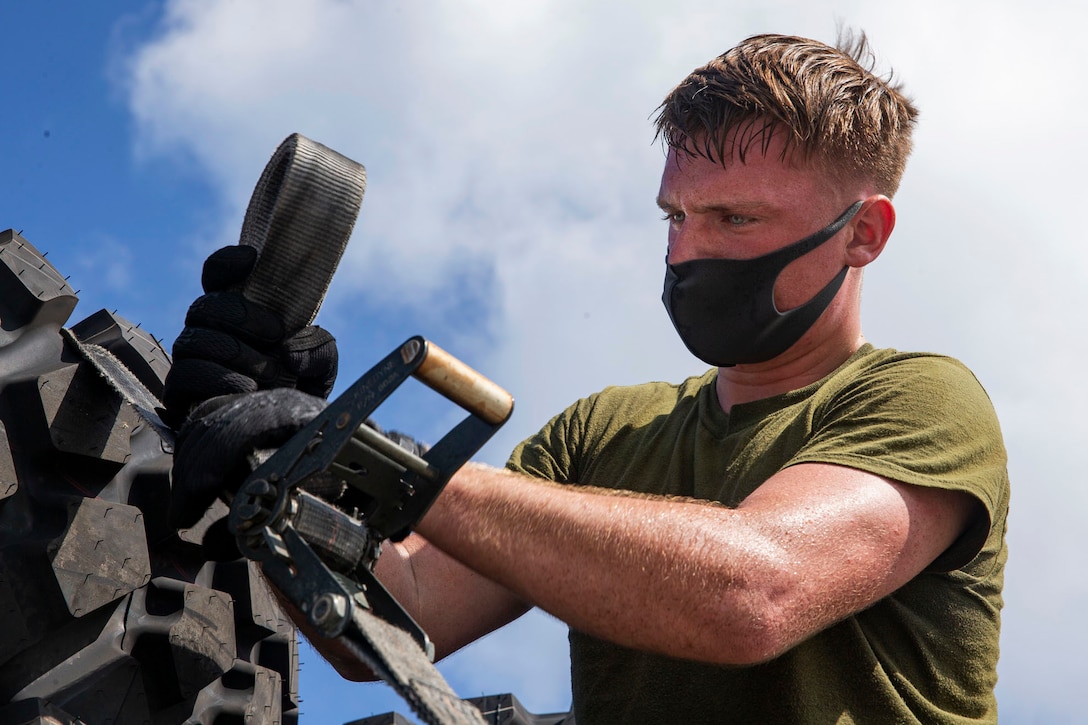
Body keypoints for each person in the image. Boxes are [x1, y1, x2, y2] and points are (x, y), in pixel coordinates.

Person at [167, 31, 1009, 724]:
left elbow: (754, 591)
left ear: (864, 233)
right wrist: (287, 460)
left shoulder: (923, 402)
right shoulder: (604, 430)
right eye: (676, 215)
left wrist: (389, 462)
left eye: (735, 218)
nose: (688, 250)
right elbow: (395, 612)